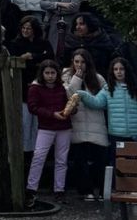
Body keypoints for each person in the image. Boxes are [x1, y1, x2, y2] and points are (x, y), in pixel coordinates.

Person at [79, 57, 137, 162]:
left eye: (121, 69)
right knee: (117, 166)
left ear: (126, 70)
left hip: (135, 136)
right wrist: (82, 94)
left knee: (134, 166)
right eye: (115, 69)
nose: (119, 72)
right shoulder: (108, 89)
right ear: (112, 71)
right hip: (116, 136)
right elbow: (96, 102)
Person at [62, 49, 108, 201]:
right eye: (76, 62)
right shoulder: (67, 75)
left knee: (99, 161)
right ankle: (85, 190)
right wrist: (76, 78)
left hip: (96, 123)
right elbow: (68, 95)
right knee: (80, 161)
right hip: (78, 123)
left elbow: (105, 98)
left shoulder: (98, 78)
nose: (80, 65)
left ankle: (101, 190)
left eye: (82, 62)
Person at [25, 60, 71, 208]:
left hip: (63, 125)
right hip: (46, 126)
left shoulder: (62, 87)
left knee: (61, 159)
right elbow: (33, 107)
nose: (50, 76)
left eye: (52, 73)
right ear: (42, 74)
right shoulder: (35, 88)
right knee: (39, 157)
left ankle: (59, 189)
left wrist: (71, 110)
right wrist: (52, 114)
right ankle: (31, 189)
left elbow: (69, 103)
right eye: (47, 73)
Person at [8, 16, 54, 157]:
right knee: (26, 121)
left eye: (28, 28)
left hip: (41, 84)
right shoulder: (16, 44)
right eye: (23, 28)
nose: (25, 30)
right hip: (22, 85)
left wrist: (32, 56)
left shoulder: (43, 43)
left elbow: (49, 56)